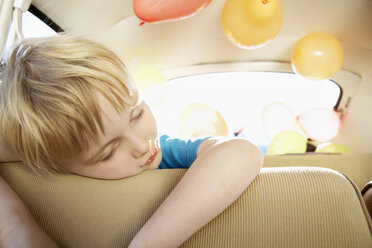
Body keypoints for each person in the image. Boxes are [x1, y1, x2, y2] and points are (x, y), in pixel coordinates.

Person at [0, 34, 263, 248]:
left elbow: (242, 152)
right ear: (56, 163)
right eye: (108, 153)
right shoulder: (51, 155)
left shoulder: (167, 154)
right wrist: (15, 225)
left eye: (137, 114)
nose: (141, 146)